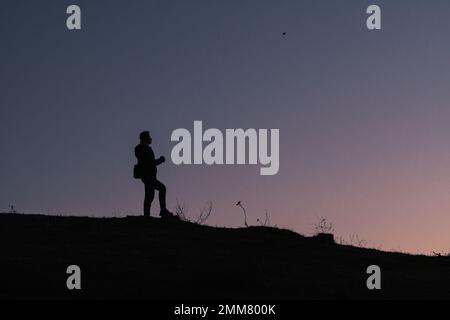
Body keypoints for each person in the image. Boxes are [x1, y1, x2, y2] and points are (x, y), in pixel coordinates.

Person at [135, 131, 175, 219]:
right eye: (149, 137)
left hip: (149, 176)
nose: (151, 138)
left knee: (150, 195)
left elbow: (150, 163)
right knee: (161, 189)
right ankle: (162, 211)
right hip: (148, 176)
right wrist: (160, 160)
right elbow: (150, 163)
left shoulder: (143, 148)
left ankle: (147, 215)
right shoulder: (143, 149)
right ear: (146, 138)